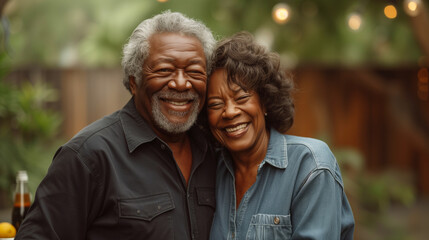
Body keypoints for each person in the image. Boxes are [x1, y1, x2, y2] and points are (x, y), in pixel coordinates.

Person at [15, 11, 217, 240]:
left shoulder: (215, 151)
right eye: (164, 70)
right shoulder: (88, 156)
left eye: (194, 71)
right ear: (134, 81)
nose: (181, 83)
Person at [206, 32, 355, 240]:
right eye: (215, 104)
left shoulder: (311, 164)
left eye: (241, 97)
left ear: (265, 101)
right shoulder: (211, 171)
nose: (229, 112)